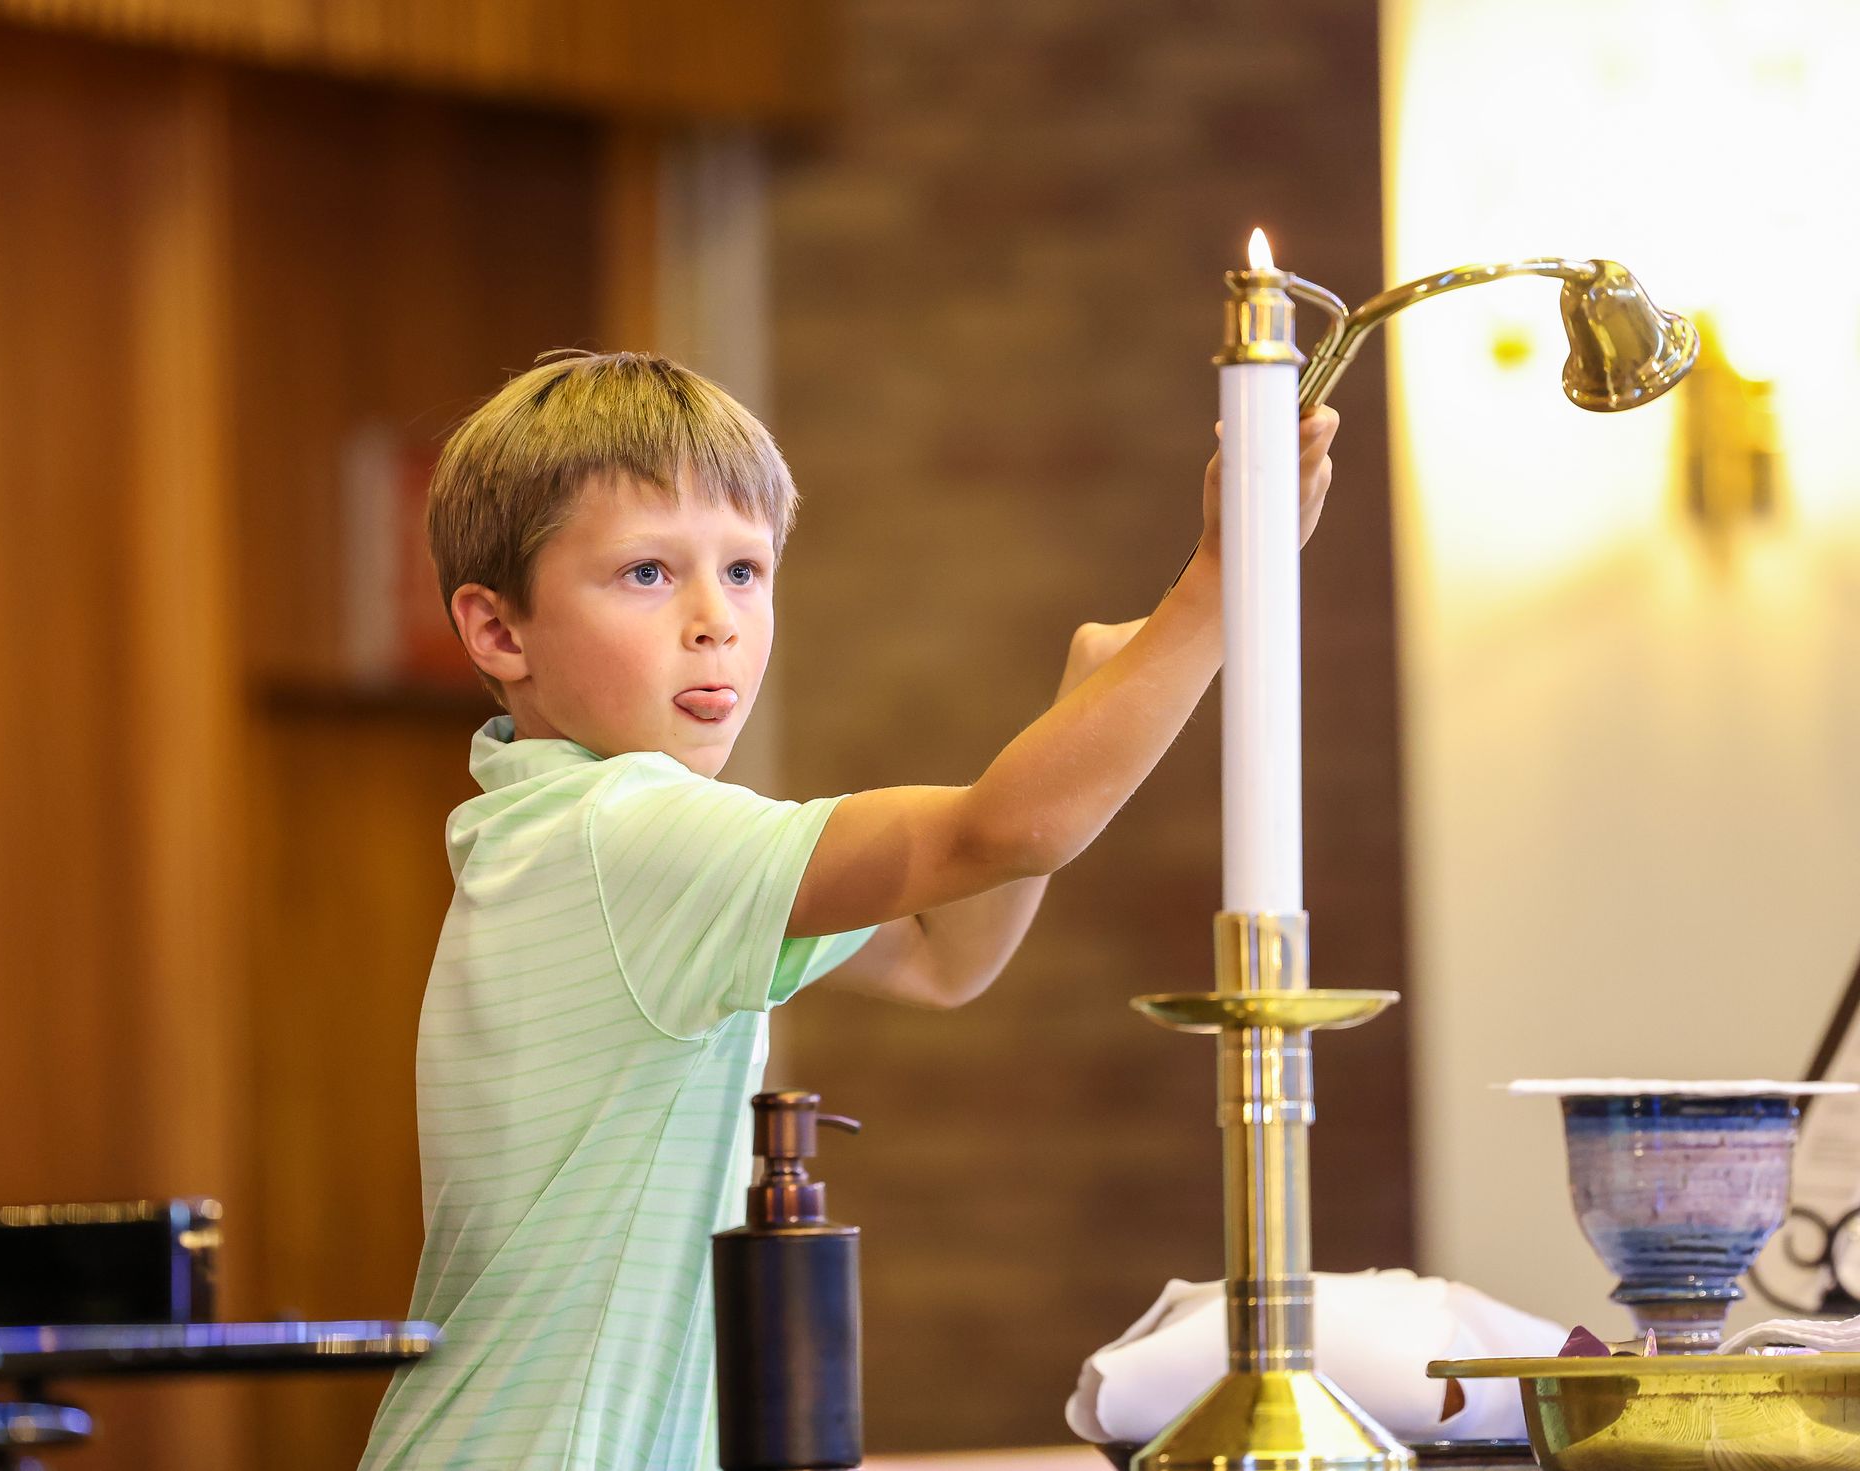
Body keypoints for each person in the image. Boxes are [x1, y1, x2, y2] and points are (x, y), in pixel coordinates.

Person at [358, 351, 1337, 1469]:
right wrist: (1218, 585)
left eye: (744, 570)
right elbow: (1002, 831)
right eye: (644, 573)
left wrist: (1092, 693)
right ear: (497, 632)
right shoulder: (615, 833)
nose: (712, 619)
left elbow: (939, 958)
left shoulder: (582, 829)